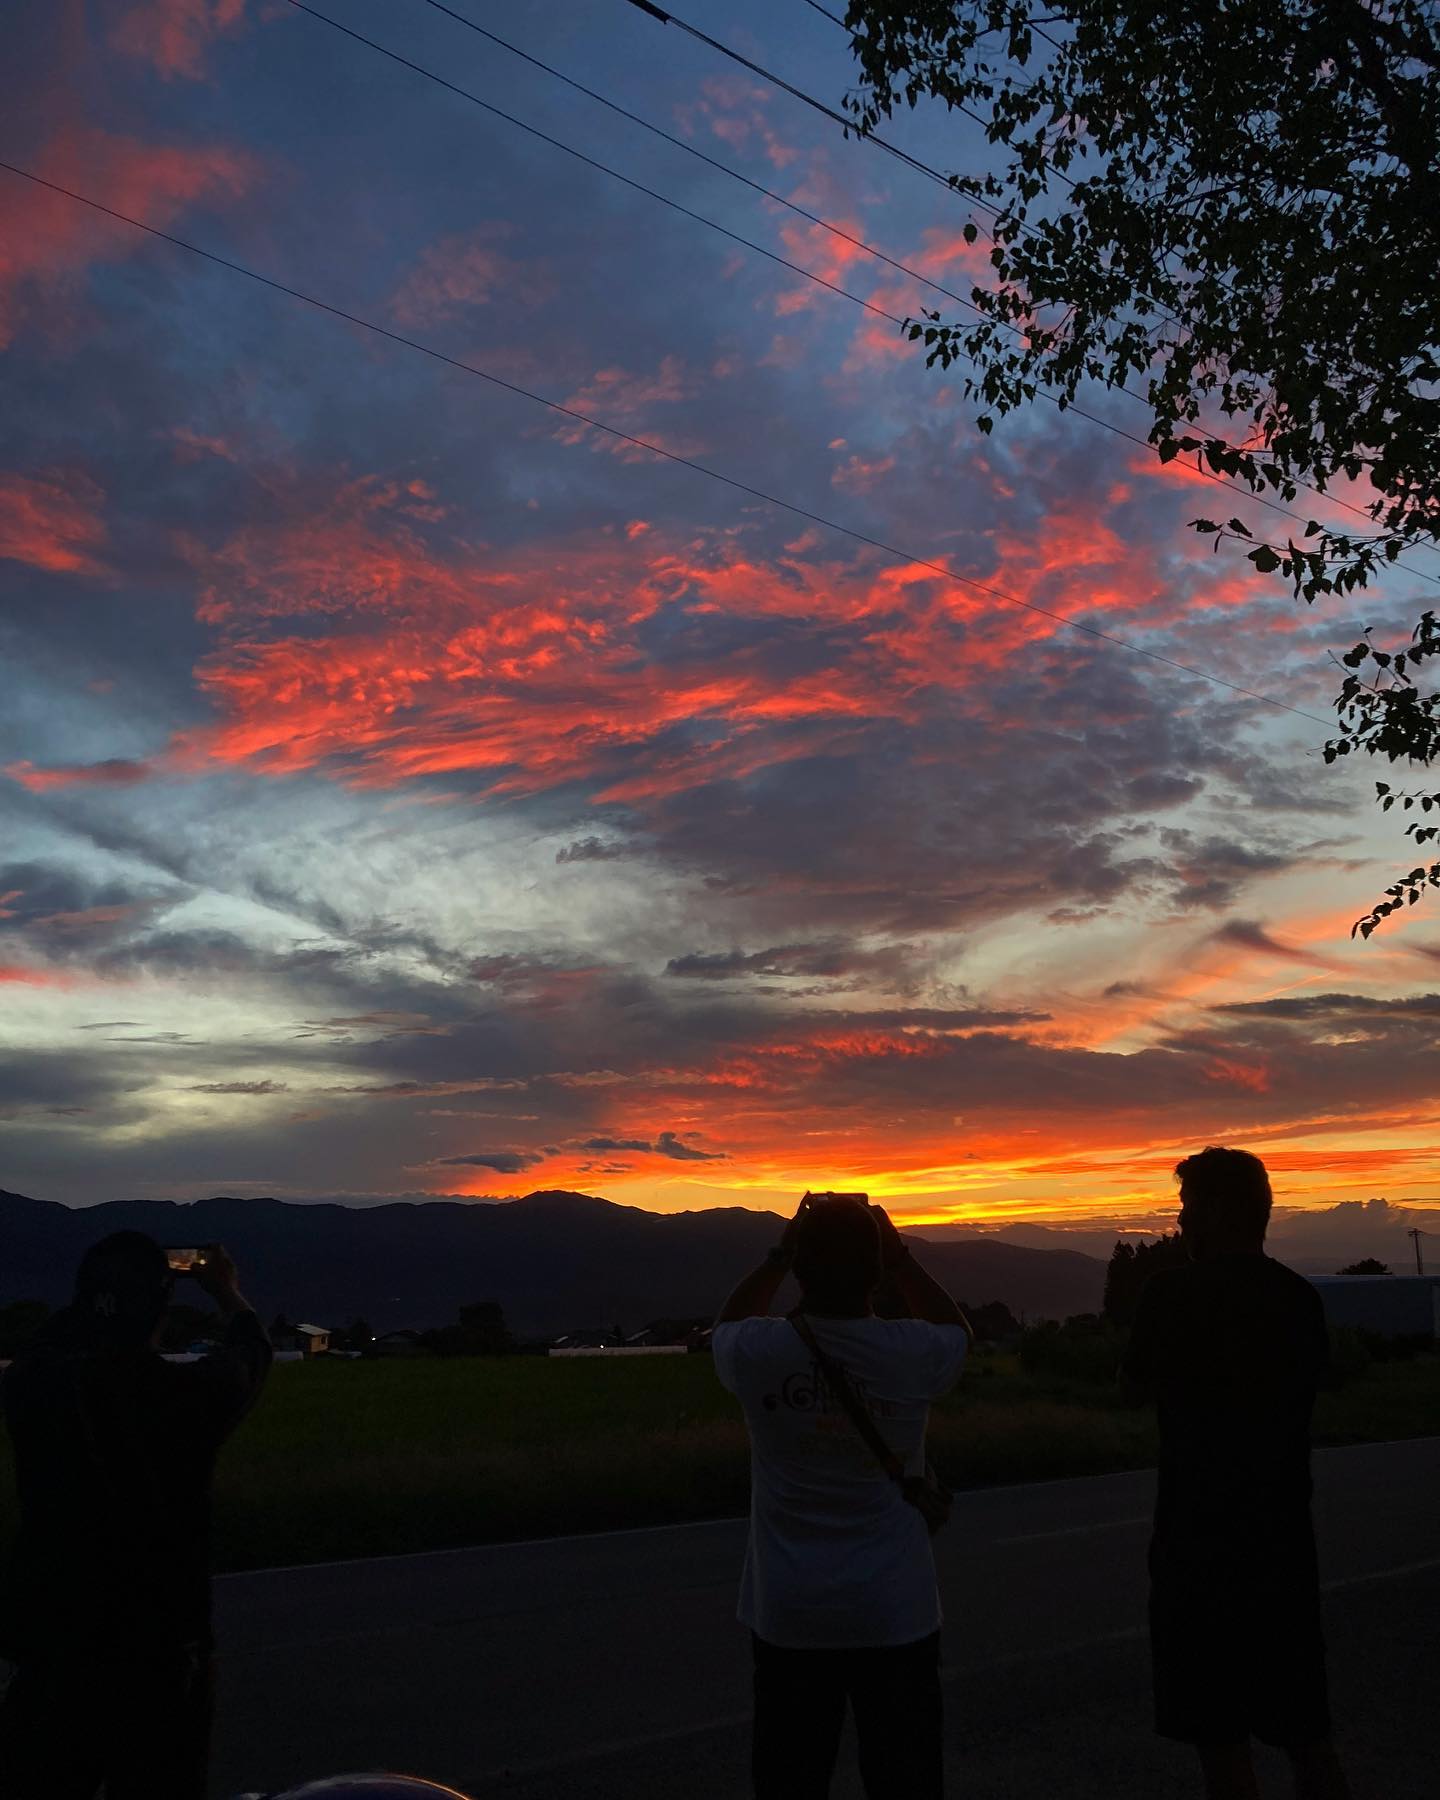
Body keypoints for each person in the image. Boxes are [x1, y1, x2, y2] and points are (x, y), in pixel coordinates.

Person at [712, 1191, 972, 1800]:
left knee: (790, 1780)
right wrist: (903, 1257)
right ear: (877, 1270)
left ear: (800, 1267)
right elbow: (956, 1332)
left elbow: (726, 1324)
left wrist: (778, 1253)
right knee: (905, 1780)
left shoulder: (759, 1352)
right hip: (895, 1613)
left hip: (790, 1614)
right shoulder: (912, 1352)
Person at [0, 1232, 271, 1800]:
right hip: (160, 1658)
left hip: (51, 1652)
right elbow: (249, 1357)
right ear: (160, 1308)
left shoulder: (32, 1385)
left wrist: (98, 1298)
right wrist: (226, 1293)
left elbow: (47, 1342)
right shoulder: (182, 1396)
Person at [1121, 1147, 1350, 1800]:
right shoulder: (1300, 1299)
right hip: (1283, 1548)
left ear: (1222, 1212)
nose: (1180, 1221)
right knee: (1308, 1735)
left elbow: (1131, 1389)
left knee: (1221, 1746)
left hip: (1197, 1551)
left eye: (1189, 1206)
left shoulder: (1170, 1294)